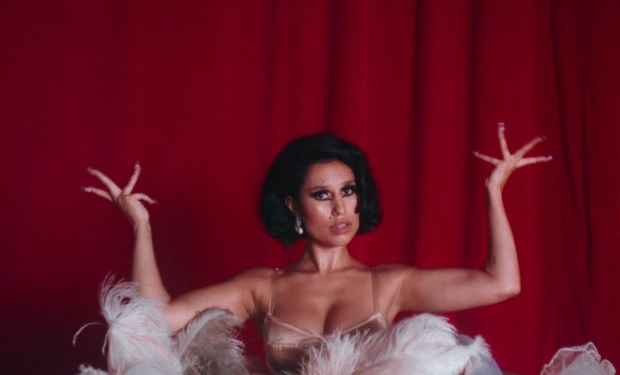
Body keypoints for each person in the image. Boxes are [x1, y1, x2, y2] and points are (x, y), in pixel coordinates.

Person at [81, 125, 551, 375]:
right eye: (322, 195)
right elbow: (156, 319)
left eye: (348, 191)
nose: (341, 208)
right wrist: (140, 226)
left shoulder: (388, 283)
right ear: (294, 205)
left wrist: (494, 192)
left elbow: (501, 284)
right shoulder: (261, 287)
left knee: (452, 354)